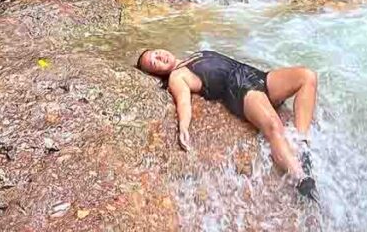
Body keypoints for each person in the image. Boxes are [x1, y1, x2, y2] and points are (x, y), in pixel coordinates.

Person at [137, 48, 319, 199]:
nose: (159, 57)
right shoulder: (177, 76)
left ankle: (301, 143)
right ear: (157, 72)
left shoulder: (191, 55)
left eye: (156, 53)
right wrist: (183, 126)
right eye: (155, 62)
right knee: (273, 125)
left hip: (254, 75)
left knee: (307, 77)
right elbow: (183, 101)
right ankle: (301, 180)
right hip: (240, 90)